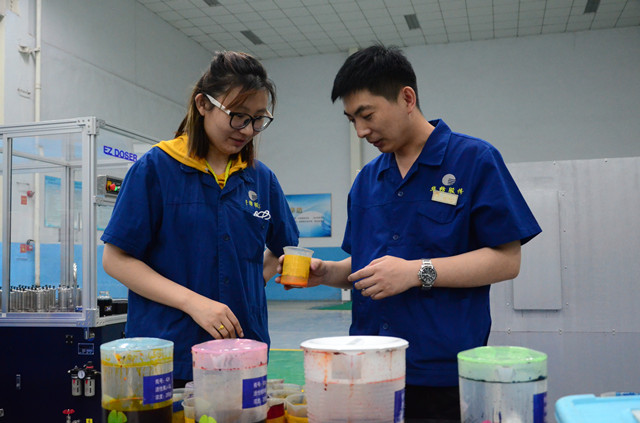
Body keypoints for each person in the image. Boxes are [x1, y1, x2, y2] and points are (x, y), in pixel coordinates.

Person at [278, 45, 542, 422]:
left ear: (406, 98)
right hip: (368, 366)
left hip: (442, 374)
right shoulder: (367, 182)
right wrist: (328, 272)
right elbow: (367, 265)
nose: (360, 131)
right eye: (351, 120)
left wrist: (417, 272)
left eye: (367, 115)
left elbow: (506, 260)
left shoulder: (474, 161)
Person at [102, 51, 299, 386]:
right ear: (203, 104)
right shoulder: (156, 168)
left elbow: (285, 249)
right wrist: (195, 303)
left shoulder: (260, 179)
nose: (248, 130)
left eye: (258, 119)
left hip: (242, 349)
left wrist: (250, 284)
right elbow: (116, 259)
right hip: (168, 351)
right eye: (238, 116)